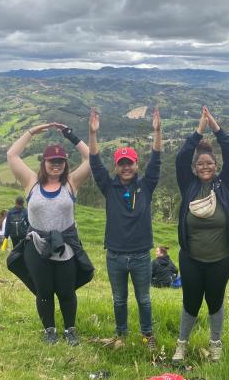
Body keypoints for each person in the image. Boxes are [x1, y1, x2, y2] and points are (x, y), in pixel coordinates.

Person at [6, 123, 95, 346]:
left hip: (65, 246)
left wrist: (70, 134)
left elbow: (92, 159)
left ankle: (70, 330)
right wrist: (32, 132)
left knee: (66, 291)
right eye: (51, 161)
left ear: (65, 164)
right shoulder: (31, 183)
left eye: (60, 161)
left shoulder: (71, 183)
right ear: (44, 163)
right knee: (43, 291)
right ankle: (49, 331)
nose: (56, 165)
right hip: (36, 245)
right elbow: (12, 154)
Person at [89, 106, 162, 350]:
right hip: (115, 255)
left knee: (144, 299)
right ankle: (121, 335)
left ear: (136, 164)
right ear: (116, 167)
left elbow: (157, 159)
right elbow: (95, 163)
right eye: (121, 164)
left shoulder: (147, 185)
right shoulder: (109, 187)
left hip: (141, 255)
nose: (126, 167)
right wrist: (92, 134)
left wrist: (158, 131)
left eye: (129, 163)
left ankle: (147, 335)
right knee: (119, 299)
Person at [172, 106, 229, 363]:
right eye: (200, 163)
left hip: (221, 258)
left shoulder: (224, 185)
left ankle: (215, 343)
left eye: (209, 163)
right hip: (191, 258)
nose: (205, 167)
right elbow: (181, 159)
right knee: (190, 302)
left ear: (215, 165)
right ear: (196, 166)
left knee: (215, 301)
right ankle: (181, 344)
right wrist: (199, 130)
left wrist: (216, 128)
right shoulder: (188, 185)